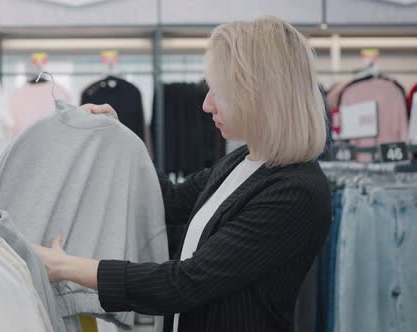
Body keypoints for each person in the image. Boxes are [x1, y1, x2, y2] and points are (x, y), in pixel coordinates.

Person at [34, 16, 332, 332]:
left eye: (219, 92)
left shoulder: (296, 191)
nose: (205, 105)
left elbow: (184, 283)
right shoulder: (244, 161)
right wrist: (120, 137)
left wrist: (66, 267)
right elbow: (171, 201)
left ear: (260, 95)